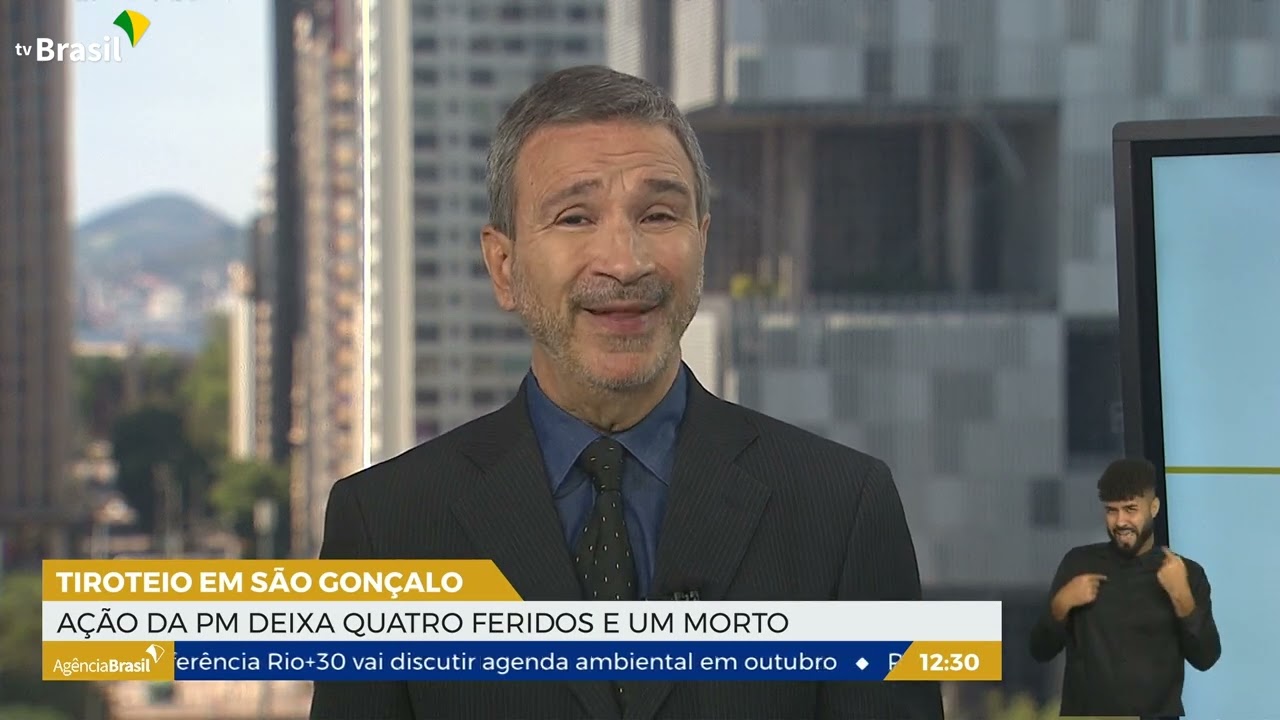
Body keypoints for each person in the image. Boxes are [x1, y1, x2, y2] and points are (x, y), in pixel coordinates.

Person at [310, 65, 942, 720]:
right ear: (504, 266)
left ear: (702, 242)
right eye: (575, 217)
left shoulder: (844, 509)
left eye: (659, 214)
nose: (625, 261)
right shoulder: (385, 525)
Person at [1029, 458, 1221, 718]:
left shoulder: (1186, 573)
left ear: (1154, 507)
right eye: (1112, 510)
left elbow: (1206, 658)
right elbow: (1040, 650)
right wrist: (1061, 604)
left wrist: (1182, 596)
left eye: (1131, 509)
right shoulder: (1078, 564)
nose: (1120, 521)